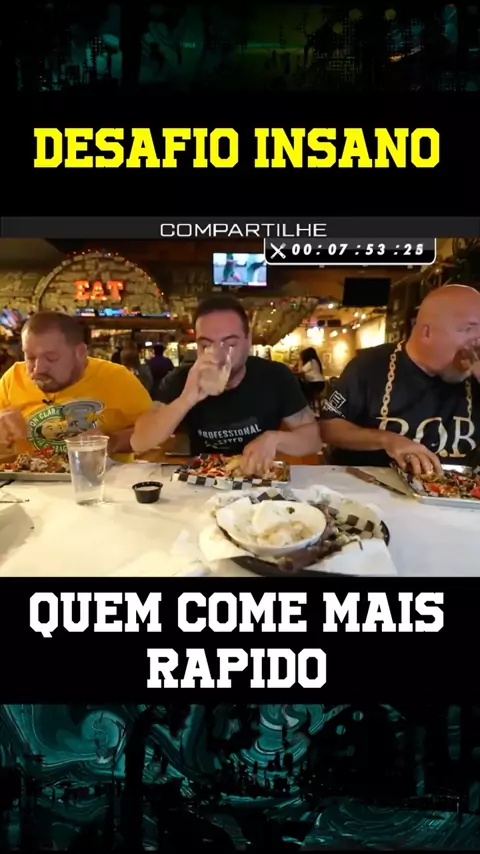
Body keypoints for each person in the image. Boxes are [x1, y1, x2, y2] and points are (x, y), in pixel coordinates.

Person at [131, 295, 321, 473]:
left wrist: (275, 439)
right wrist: (186, 399)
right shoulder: (182, 379)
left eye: (230, 344)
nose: (218, 355)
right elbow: (139, 441)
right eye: (206, 345)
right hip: (205, 479)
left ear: (248, 341)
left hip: (256, 479)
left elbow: (312, 439)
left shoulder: (275, 376)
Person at [321, 285, 480, 474]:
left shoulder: (474, 375)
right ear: (427, 333)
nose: (477, 341)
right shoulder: (370, 366)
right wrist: (388, 440)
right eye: (467, 329)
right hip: (374, 485)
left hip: (460, 489)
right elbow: (328, 427)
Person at [0, 311, 152, 459]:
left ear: (80, 353)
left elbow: (156, 432)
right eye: (30, 357)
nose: (38, 369)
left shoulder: (117, 378)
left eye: (51, 358)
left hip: (103, 475)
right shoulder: (12, 379)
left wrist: (112, 441)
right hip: (24, 475)